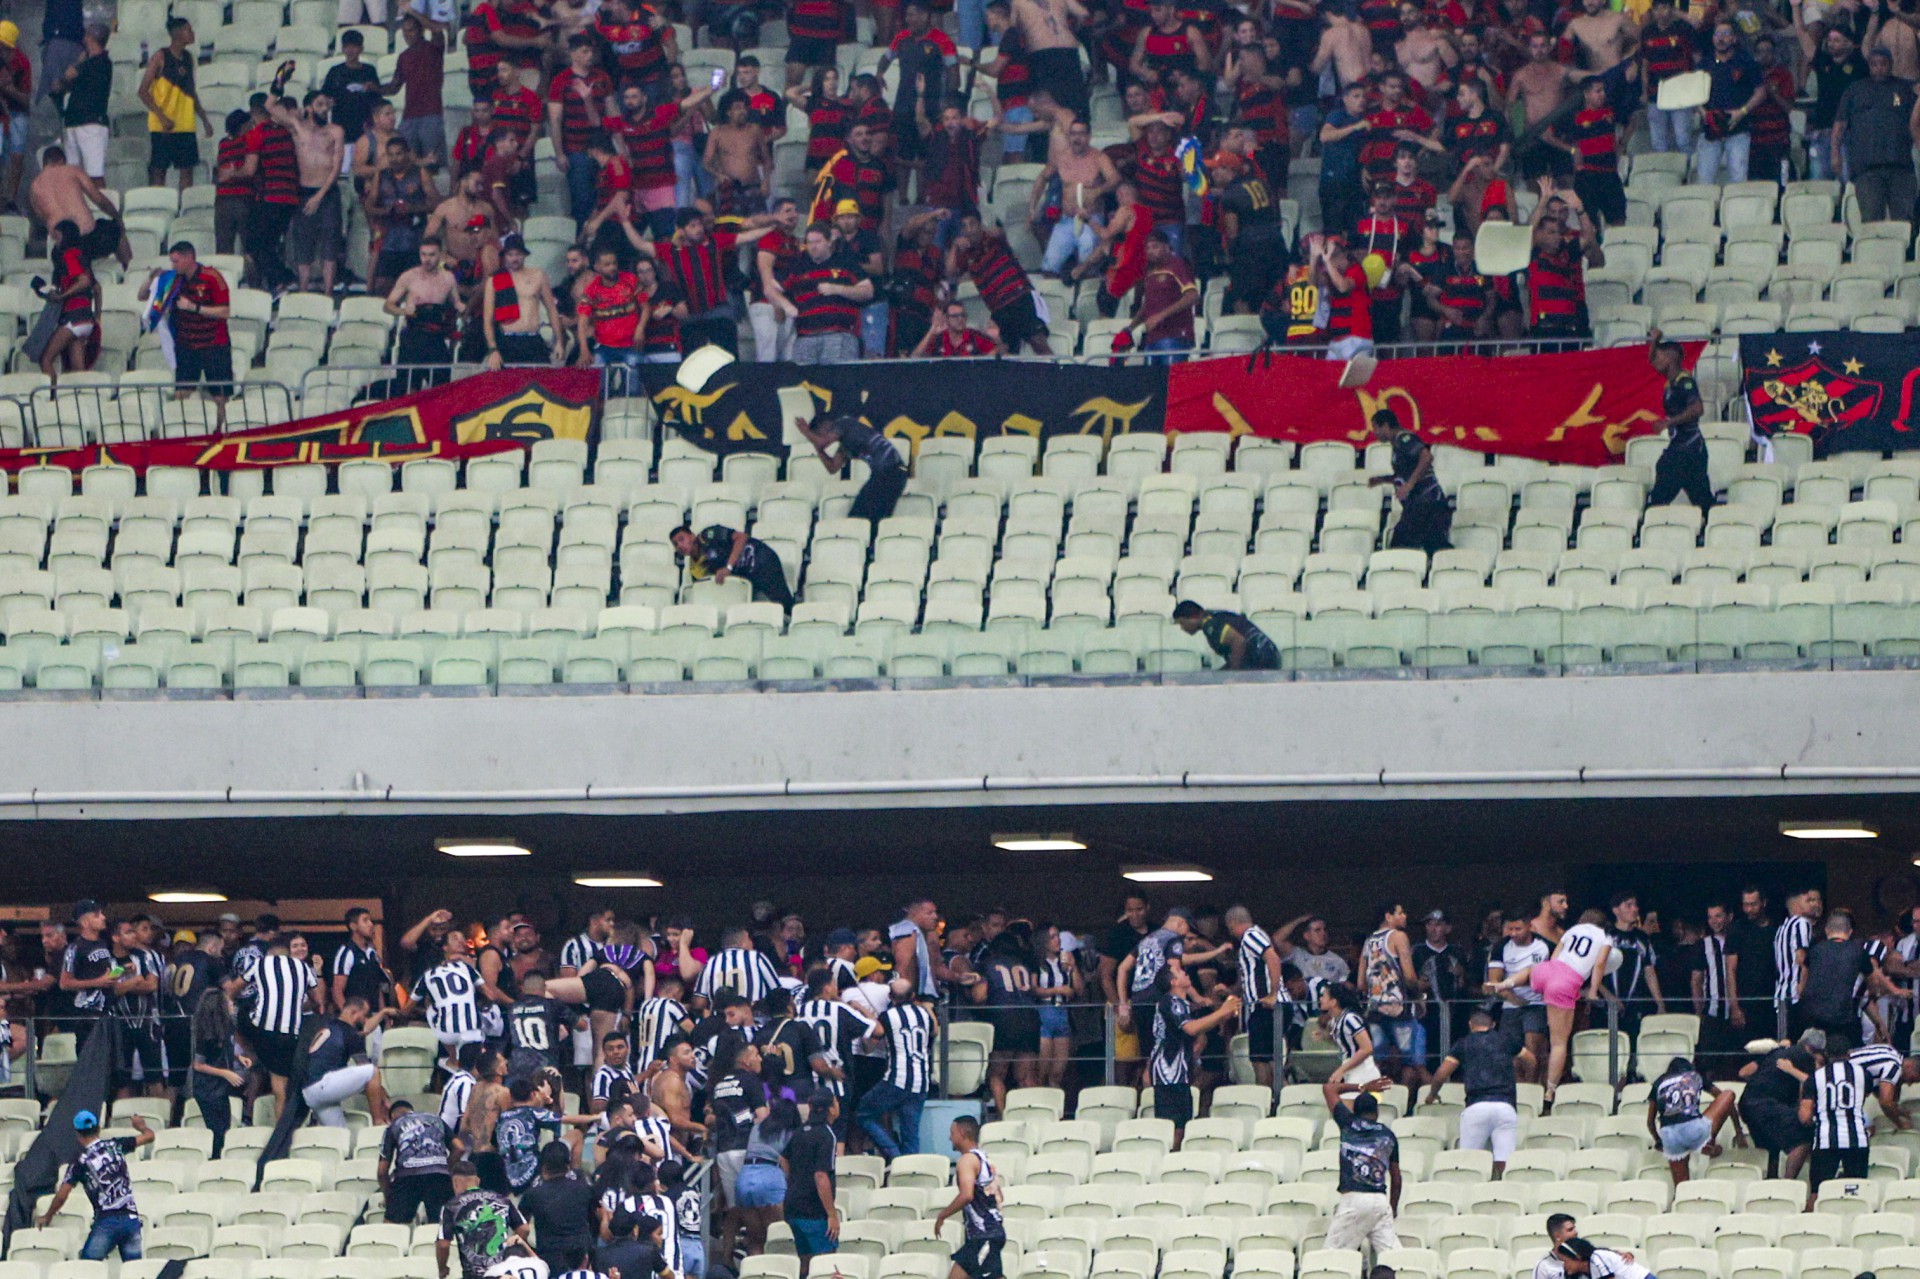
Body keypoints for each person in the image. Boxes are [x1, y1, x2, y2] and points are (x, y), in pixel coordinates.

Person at [1494, 908, 1614, 1101]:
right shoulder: (1605, 937)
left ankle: (1507, 983)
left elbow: (1555, 957)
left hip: (1550, 970)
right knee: (1559, 1043)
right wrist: (1592, 991)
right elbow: (1599, 964)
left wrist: (1547, 980)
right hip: (1566, 982)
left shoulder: (1572, 930)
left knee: (1531, 969)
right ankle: (1550, 1089)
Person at [40, 1110, 155, 1258]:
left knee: (87, 1269)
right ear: (98, 1129)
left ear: (77, 1134)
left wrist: (48, 1216)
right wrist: (142, 1126)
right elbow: (149, 1136)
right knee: (134, 1271)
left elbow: (62, 1196)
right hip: (130, 1218)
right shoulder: (116, 1145)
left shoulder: (79, 1161)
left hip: (106, 1222)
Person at [1426, 1008, 1524, 1175]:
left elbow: (1441, 1074)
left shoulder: (1463, 1043)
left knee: (1470, 1160)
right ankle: (1501, 1190)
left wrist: (1432, 1094)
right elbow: (1529, 1058)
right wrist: (1526, 1077)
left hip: (1476, 1106)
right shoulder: (1506, 1040)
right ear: (1493, 1025)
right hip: (1505, 1105)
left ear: (1470, 1025)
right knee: (1504, 1159)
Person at [1150, 963, 1239, 1147]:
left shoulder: (1181, 1004)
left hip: (1179, 1071)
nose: (1184, 971)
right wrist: (1222, 1012)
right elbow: (1191, 1028)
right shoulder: (1171, 1001)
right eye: (1179, 972)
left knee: (1182, 1123)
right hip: (1169, 1071)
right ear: (1174, 982)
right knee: (1173, 1125)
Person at [272, 93, 347, 297]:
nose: (325, 109)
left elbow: (336, 166)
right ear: (309, 108)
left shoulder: (335, 131)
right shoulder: (298, 127)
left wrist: (320, 196)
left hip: (327, 192)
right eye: (320, 105)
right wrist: (280, 79)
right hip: (304, 191)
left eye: (326, 104)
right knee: (303, 243)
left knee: (330, 243)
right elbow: (271, 107)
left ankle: (328, 293)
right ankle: (304, 291)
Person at [856, 979, 935, 1159]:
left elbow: (869, 1045)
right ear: (913, 996)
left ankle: (894, 1155)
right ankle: (908, 1172)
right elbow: (935, 1031)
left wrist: (862, 1012)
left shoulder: (888, 1016)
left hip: (896, 1079)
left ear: (891, 997)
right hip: (921, 1082)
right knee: (911, 1134)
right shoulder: (924, 1013)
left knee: (863, 1113)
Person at [1320, 1080, 1401, 1254]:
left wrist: (1362, 1087)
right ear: (1377, 1112)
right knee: (1393, 1258)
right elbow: (1396, 1178)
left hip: (1355, 1199)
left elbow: (1329, 1088)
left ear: (1354, 1111)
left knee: (1332, 1256)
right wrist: (1392, 1208)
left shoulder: (1348, 1123)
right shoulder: (1388, 1135)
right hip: (1380, 1200)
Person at [795, 414, 908, 527]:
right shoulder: (846, 444)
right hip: (885, 475)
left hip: (892, 471)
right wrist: (818, 448)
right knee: (866, 517)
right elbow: (832, 467)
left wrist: (806, 432)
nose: (818, 438)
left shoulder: (843, 423)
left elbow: (823, 442)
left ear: (825, 426)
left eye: (819, 434)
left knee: (862, 517)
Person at [1642, 330, 1713, 511]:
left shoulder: (1684, 382)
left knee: (1658, 499)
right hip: (1690, 450)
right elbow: (1649, 361)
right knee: (1703, 501)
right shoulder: (1670, 382)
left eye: (1659, 356)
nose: (1655, 361)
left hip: (1686, 451)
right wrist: (1655, 341)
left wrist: (1669, 422)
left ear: (1669, 358)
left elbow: (1697, 409)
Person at [1739, 1028, 1822, 1179]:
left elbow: (1744, 1072)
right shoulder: (1805, 1057)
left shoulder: (1777, 1052)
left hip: (1746, 1105)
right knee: (1804, 1139)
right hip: (1767, 1105)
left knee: (1772, 1146)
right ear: (1814, 1050)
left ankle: (1771, 1182)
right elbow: (1812, 1085)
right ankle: (1786, 1184)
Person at [1800, 1037, 1874, 1204]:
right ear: (1849, 1053)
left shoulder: (1815, 1078)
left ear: (1826, 1054)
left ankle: (1811, 1226)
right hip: (1857, 1140)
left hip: (1826, 1140)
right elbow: (1864, 1096)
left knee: (1817, 1193)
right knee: (1858, 1193)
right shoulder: (1863, 1074)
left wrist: (1816, 1119)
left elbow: (1804, 1117)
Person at [934, 1115, 1006, 1279]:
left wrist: (942, 1215)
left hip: (983, 1234)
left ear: (962, 1133)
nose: (950, 1138)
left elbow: (966, 1195)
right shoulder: (985, 1160)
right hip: (986, 1233)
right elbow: (1000, 1197)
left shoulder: (967, 1160)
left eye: (952, 1133)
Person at [140, 19, 210, 190]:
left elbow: (190, 91)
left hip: (185, 124)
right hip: (162, 126)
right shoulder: (160, 57)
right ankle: (158, 205)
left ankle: (183, 208)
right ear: (178, 33)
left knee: (187, 171)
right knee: (159, 170)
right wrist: (162, 117)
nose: (192, 33)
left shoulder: (188, 58)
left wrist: (204, 119)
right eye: (189, 30)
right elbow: (142, 91)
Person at [386, 237, 463, 386]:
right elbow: (388, 305)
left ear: (440, 254)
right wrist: (404, 311)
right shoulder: (409, 276)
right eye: (423, 254)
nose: (427, 259)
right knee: (408, 387)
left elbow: (456, 302)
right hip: (413, 337)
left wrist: (461, 307)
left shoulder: (448, 278)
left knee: (440, 389)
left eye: (432, 254)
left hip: (436, 338)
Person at [305, 995, 391, 1126]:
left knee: (340, 1136)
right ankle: (378, 1121)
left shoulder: (329, 1025)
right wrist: (384, 1099)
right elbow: (368, 1072)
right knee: (373, 1071)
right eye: (365, 1015)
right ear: (353, 1012)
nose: (365, 1019)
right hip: (324, 1084)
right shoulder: (349, 1032)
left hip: (309, 1091)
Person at [671, 524, 794, 612]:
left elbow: (741, 537)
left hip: (761, 560)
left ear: (692, 536)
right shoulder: (694, 569)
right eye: (676, 544)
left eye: (682, 539)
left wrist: (728, 567)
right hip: (746, 578)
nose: (680, 545)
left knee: (784, 604)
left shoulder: (708, 536)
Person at [1488, 910, 1551, 1081]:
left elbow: (1550, 976)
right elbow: (1494, 981)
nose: (1513, 934)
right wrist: (1513, 998)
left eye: (1518, 929)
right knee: (1512, 1054)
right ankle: (1518, 1090)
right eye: (1510, 929)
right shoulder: (1501, 946)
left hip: (1537, 1004)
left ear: (1529, 926)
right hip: (1510, 1005)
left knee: (1533, 1048)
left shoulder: (1545, 946)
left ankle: (1532, 1091)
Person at [1227, 906, 1284, 1088]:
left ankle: (1266, 1099)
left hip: (1265, 1006)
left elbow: (1272, 958)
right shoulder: (1256, 935)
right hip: (1262, 1006)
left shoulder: (1251, 936)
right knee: (1268, 1059)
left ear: (1233, 923)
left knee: (1259, 1059)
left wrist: (1273, 993)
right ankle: (1277, 1097)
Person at [784, 1089, 840, 1274]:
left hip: (792, 1206)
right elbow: (821, 1175)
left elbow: (783, 1158)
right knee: (826, 1265)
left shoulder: (799, 1132)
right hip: (813, 1210)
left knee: (805, 1264)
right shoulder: (827, 1135)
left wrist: (795, 1180)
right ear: (831, 1109)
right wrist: (831, 1214)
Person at [521, 1142, 597, 1274]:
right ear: (568, 1164)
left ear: (543, 1165)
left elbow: (521, 1226)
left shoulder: (533, 1193)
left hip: (550, 1256)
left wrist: (530, 1252)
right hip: (582, 1251)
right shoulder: (583, 1186)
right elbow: (594, 1217)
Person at [381, 1097, 455, 1225]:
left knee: (391, 1226)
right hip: (438, 1174)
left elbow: (382, 1171)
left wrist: (389, 1197)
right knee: (441, 1226)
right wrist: (447, 1167)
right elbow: (459, 1147)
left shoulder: (395, 1125)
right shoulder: (436, 1120)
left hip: (407, 1175)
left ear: (392, 1115)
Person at [53, 25, 113, 184]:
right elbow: (61, 86)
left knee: (95, 174)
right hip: (73, 122)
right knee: (73, 175)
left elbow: (66, 77)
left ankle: (100, 207)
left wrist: (79, 63)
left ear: (89, 38)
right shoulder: (92, 63)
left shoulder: (102, 63)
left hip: (91, 124)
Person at [439, 1184, 531, 1279]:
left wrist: (442, 1268)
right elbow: (524, 1229)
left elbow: (443, 1245)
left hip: (473, 1275)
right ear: (477, 1180)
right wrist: (511, 1249)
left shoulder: (452, 1205)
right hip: (503, 1272)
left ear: (455, 1181)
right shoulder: (502, 1199)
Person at [1171, 600, 1279, 670]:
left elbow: (1238, 641)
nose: (1182, 628)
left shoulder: (1210, 625)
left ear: (1193, 617)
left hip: (1260, 659)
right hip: (1268, 654)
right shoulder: (1216, 616)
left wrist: (1233, 674)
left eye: (1182, 623)